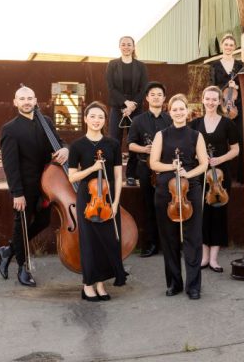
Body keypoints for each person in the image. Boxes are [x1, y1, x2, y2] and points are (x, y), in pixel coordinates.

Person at [0, 86, 68, 286]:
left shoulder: (47, 122)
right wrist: (17, 193)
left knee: (43, 222)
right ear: (15, 102)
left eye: (29, 98)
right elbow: (10, 165)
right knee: (22, 225)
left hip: (47, 184)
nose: (26, 102)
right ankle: (22, 267)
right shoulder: (9, 129)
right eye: (22, 98)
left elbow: (60, 144)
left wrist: (65, 150)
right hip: (25, 187)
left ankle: (8, 250)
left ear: (36, 100)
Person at [150, 94, 209, 299]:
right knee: (169, 239)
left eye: (181, 109)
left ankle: (193, 286)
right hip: (166, 189)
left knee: (193, 238)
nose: (178, 112)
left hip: (189, 188)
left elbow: (203, 164)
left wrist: (187, 173)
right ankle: (174, 283)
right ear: (170, 112)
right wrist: (172, 166)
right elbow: (154, 163)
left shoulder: (196, 136)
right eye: (174, 109)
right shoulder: (161, 135)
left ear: (187, 111)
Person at [67, 102, 127, 301]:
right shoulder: (76, 146)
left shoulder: (113, 144)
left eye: (100, 117)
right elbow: (72, 177)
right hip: (88, 198)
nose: (96, 120)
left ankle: (101, 284)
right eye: (92, 116)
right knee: (90, 243)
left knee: (108, 242)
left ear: (104, 120)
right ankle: (87, 286)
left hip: (108, 198)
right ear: (85, 119)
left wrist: (116, 202)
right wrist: (92, 169)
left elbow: (118, 176)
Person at [190, 86, 239, 273]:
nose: (210, 102)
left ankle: (214, 259)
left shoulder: (228, 124)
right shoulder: (194, 124)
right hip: (200, 174)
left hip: (221, 176)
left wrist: (220, 159)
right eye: (207, 99)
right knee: (201, 214)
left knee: (218, 215)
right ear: (202, 100)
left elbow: (235, 150)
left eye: (214, 99)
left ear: (220, 101)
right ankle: (203, 257)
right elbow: (189, 147)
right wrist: (198, 158)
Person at [127, 81, 172, 258]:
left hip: (166, 169)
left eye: (159, 94)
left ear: (164, 98)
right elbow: (130, 144)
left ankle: (169, 243)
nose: (156, 97)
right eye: (152, 94)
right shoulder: (138, 120)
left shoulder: (170, 119)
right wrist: (145, 149)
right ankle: (151, 244)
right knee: (149, 206)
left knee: (168, 205)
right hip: (145, 168)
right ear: (147, 98)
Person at [105, 35, 149, 186]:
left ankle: (131, 175)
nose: (126, 47)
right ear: (119, 47)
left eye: (129, 44)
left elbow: (143, 88)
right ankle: (113, 174)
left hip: (136, 110)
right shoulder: (112, 65)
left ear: (133, 46)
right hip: (117, 108)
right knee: (114, 141)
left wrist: (133, 105)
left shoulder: (141, 66)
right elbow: (111, 88)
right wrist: (125, 103)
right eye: (123, 44)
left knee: (134, 141)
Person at [209, 33, 244, 183]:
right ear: (222, 47)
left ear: (235, 47)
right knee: (220, 139)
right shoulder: (215, 65)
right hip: (220, 106)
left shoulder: (240, 65)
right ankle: (220, 175)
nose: (229, 47)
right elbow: (211, 86)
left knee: (240, 138)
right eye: (226, 45)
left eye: (231, 45)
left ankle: (243, 176)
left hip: (236, 106)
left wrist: (236, 86)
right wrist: (223, 90)